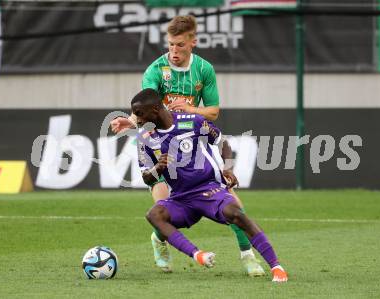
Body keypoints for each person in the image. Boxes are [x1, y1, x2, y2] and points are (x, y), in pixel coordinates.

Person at [110, 15, 265, 276]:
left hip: (191, 141)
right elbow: (146, 107)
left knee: (235, 206)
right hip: (158, 145)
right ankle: (159, 239)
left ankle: (248, 256)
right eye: (170, 44)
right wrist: (130, 121)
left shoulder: (204, 69)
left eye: (180, 45)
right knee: (162, 205)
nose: (173, 51)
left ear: (193, 42)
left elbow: (213, 112)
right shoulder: (156, 70)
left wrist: (189, 109)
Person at [132, 88, 288, 282]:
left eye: (139, 113)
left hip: (209, 190)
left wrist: (228, 168)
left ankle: (276, 267)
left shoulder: (192, 121)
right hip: (181, 199)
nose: (136, 119)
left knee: (237, 213)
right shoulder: (144, 138)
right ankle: (198, 255)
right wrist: (157, 169)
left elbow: (223, 143)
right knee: (154, 215)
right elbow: (147, 177)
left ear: (155, 109)